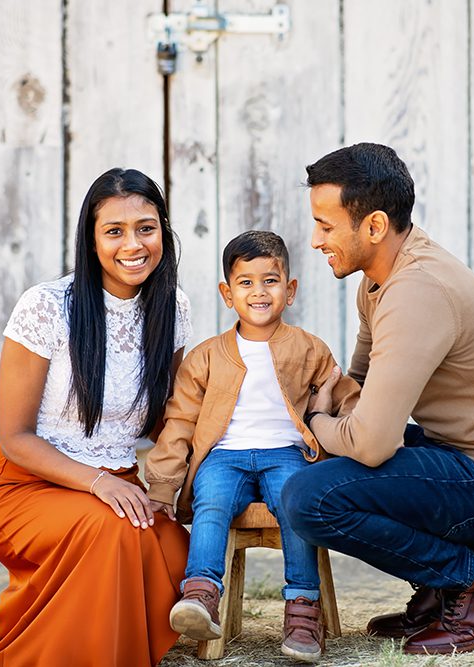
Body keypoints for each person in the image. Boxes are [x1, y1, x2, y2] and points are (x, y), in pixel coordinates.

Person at [280, 143, 474, 655]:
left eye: (326, 224)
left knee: (308, 498)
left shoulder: (416, 291)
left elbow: (371, 443)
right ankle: (437, 589)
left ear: (375, 226)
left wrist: (315, 421)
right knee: (315, 468)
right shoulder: (381, 280)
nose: (315, 240)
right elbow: (358, 387)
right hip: (454, 451)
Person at [0, 168, 192, 667]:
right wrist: (99, 483)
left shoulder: (172, 307)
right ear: (91, 241)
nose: (133, 244)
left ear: (163, 231)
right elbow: (15, 438)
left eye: (146, 227)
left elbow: (167, 421)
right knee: (113, 533)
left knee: (177, 550)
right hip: (26, 485)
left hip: (119, 485)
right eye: (114, 231)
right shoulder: (47, 307)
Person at [144, 230, 360, 662]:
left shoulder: (309, 349)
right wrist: (162, 487)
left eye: (270, 280)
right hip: (224, 457)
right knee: (213, 500)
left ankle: (302, 609)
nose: (258, 292)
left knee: (295, 502)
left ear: (290, 289)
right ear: (228, 293)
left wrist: (358, 430)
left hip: (286, 454)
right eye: (245, 282)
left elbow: (342, 396)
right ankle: (201, 594)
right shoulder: (206, 356)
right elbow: (180, 421)